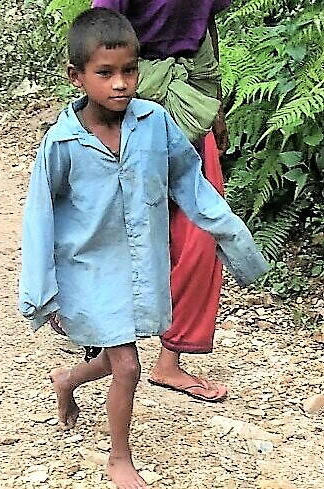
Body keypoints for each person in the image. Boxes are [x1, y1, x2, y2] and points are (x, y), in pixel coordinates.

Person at [19, 8, 268, 489]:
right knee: (128, 364)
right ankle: (118, 458)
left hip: (139, 264)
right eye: (105, 73)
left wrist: (235, 241)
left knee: (116, 354)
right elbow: (39, 218)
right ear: (77, 76)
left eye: (129, 71)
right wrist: (41, 292)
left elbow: (191, 186)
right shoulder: (62, 143)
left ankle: (68, 379)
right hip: (88, 268)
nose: (120, 84)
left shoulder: (155, 122)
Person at [92, 0, 232, 402]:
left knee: (202, 234)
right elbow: (100, 35)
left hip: (190, 104)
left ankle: (169, 360)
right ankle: (104, 344)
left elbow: (207, 29)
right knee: (119, 229)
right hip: (131, 104)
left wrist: (214, 103)